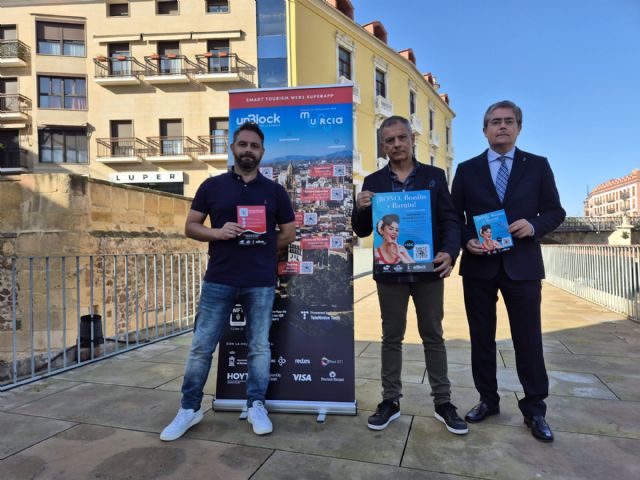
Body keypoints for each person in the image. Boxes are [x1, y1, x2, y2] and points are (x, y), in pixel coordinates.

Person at [160, 121, 296, 441]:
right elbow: (191, 226)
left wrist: (263, 248)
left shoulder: (275, 191)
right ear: (233, 148)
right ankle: (189, 409)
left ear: (262, 152)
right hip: (218, 279)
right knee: (201, 348)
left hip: (260, 281)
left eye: (255, 146)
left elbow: (288, 233)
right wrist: (218, 233)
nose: (248, 150)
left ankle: (256, 405)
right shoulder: (212, 186)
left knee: (259, 347)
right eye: (243, 144)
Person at [451, 100, 565, 442]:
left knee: (528, 340)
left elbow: (555, 211)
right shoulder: (467, 169)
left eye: (509, 121)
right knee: (481, 339)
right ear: (484, 130)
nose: (502, 126)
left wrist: (533, 225)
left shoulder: (538, 166)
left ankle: (534, 409)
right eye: (495, 122)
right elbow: (454, 218)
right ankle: (488, 400)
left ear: (519, 128)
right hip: (479, 268)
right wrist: (467, 240)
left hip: (523, 267)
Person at [352, 115, 468, 435]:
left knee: (433, 334)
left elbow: (449, 220)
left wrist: (450, 252)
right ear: (382, 146)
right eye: (389, 141)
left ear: (412, 138)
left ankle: (443, 402)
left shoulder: (434, 176)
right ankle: (390, 401)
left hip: (427, 270)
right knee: (391, 336)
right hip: (390, 273)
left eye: (401, 138)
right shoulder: (373, 181)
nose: (396, 145)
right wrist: (360, 207)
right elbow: (362, 229)